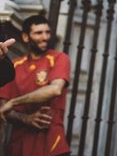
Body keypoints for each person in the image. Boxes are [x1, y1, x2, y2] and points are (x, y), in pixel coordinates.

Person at [0, 15, 70, 156]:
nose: (45, 37)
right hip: (19, 147)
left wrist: (14, 102)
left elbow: (55, 89)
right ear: (25, 37)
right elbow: (3, 108)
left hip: (52, 146)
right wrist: (26, 119)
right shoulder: (14, 65)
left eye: (47, 32)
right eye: (38, 33)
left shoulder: (59, 58)